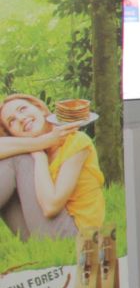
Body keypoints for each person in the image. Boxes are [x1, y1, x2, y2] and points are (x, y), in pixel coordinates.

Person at [0, 92, 103, 239]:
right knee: (11, 156)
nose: (21, 119)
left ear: (40, 108)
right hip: (46, 232)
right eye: (12, 121)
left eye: (22, 109)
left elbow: (51, 207)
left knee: (19, 159)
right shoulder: (38, 149)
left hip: (78, 235)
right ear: (12, 135)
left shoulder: (76, 140)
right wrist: (40, 143)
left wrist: (39, 156)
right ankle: (33, 246)